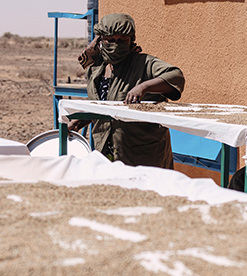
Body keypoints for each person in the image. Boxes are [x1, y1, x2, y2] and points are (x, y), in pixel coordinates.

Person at [76, 12, 184, 168]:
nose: (116, 45)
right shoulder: (96, 70)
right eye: (110, 40)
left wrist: (144, 87)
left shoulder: (143, 63)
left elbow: (176, 76)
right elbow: (106, 105)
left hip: (142, 156)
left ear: (131, 40)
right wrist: (83, 118)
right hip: (106, 152)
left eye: (122, 40)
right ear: (100, 40)